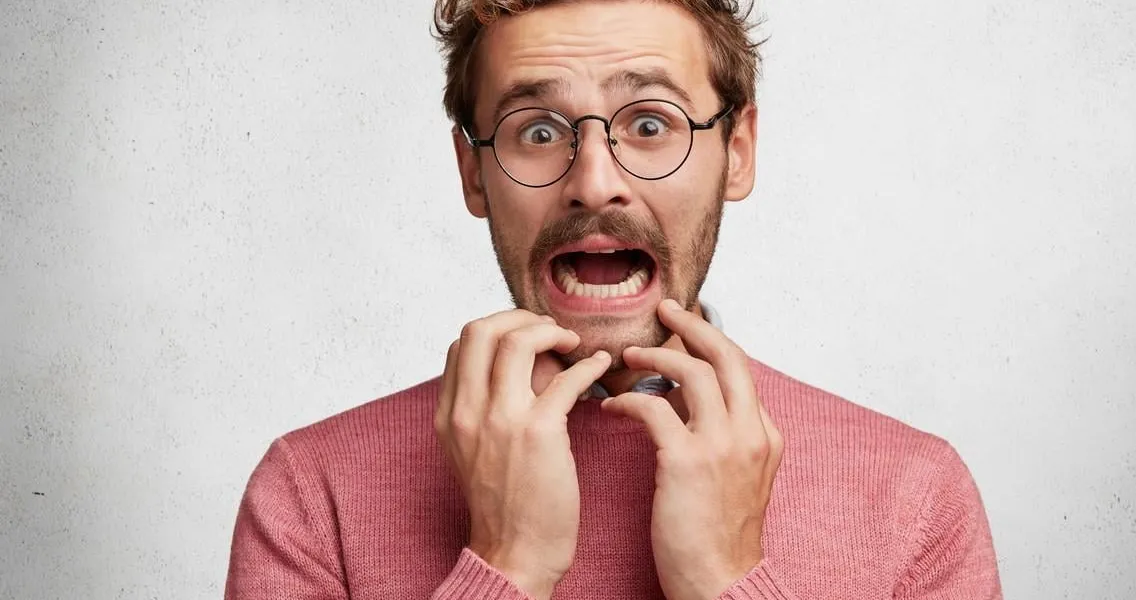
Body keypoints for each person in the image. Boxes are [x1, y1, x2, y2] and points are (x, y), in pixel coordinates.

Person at [224, 1, 1003, 598]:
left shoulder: (916, 498)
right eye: (537, 132)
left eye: (651, 123)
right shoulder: (310, 496)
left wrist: (728, 580)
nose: (594, 180)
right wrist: (506, 565)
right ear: (473, 173)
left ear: (737, 153)